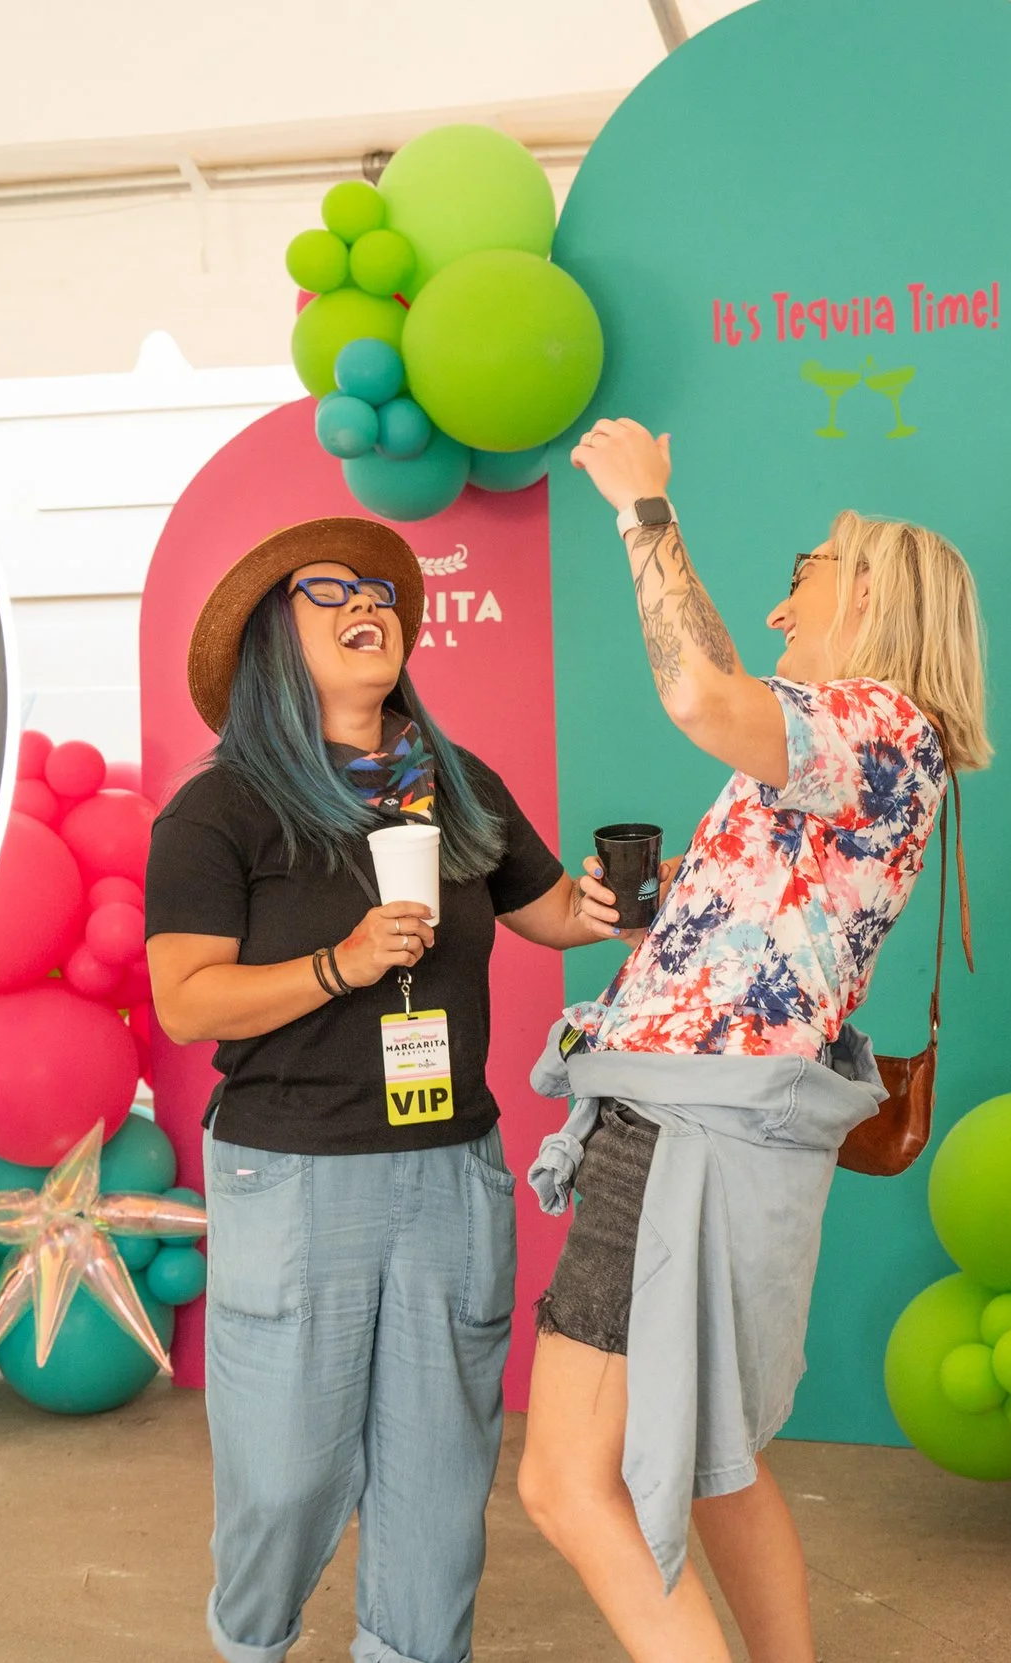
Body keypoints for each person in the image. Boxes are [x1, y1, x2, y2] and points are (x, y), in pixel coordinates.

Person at [516, 420, 992, 1662]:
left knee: (568, 1484)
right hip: (723, 1119)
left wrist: (642, 507)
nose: (782, 611)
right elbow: (724, 686)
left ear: (873, 588)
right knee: (718, 1462)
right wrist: (698, 896)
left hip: (686, 1127)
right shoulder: (860, 743)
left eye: (806, 572)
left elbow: (695, 690)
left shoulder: (877, 720)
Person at [145, 516, 606, 1663]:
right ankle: (252, 1644)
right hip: (294, 1174)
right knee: (288, 1471)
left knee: (441, 1477)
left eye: (382, 591)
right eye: (330, 590)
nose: (370, 603)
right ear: (269, 639)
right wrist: (338, 964)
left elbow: (548, 913)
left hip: (453, 1171)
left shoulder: (450, 782)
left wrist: (618, 901)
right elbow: (187, 1001)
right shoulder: (224, 806)